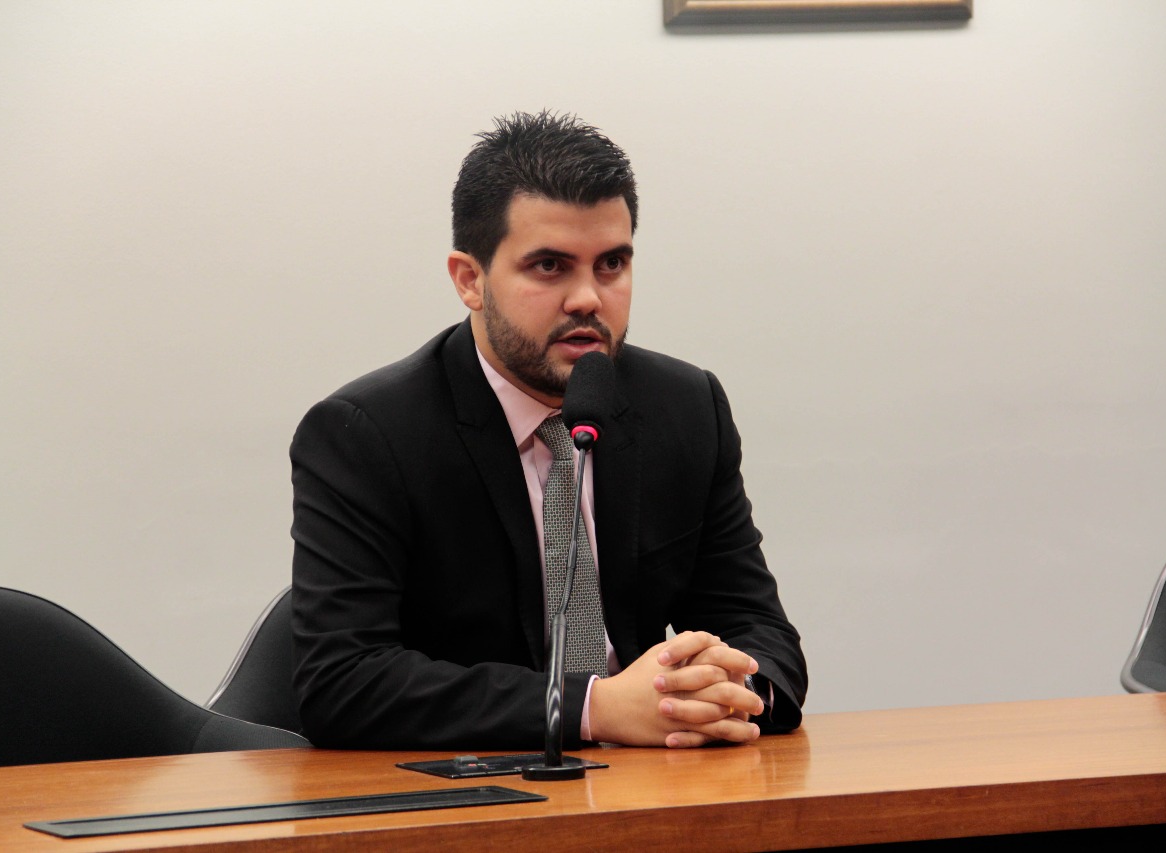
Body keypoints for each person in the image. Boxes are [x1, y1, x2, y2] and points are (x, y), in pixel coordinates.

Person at [290, 111, 806, 751]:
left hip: (655, 776)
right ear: (470, 280)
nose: (588, 298)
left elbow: (757, 627)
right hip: (476, 785)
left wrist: (731, 689)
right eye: (549, 266)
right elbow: (344, 682)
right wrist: (592, 709)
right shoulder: (366, 434)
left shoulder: (684, 406)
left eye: (611, 264)